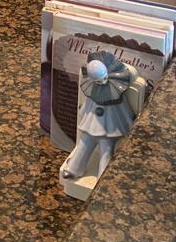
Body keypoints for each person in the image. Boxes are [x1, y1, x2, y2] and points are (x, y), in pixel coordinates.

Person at [61, 49, 142, 181]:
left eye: (104, 78)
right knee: (84, 144)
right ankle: (74, 169)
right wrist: (82, 112)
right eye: (98, 81)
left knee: (106, 151)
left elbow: (123, 109)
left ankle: (103, 177)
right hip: (91, 123)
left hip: (109, 128)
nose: (102, 82)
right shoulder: (93, 90)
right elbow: (87, 104)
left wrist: (130, 120)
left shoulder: (115, 90)